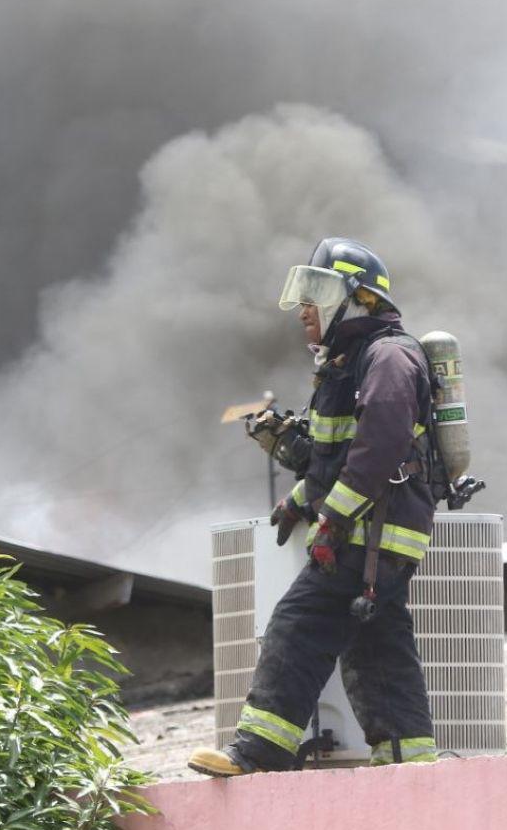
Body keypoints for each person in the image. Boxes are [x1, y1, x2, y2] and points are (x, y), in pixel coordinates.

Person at [188, 237, 438, 776]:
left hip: (370, 533)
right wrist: (299, 500)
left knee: (299, 624)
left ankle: (259, 752)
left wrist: (334, 519)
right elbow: (335, 459)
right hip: (383, 534)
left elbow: (381, 447)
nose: (305, 308)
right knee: (378, 645)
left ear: (361, 298)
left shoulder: (389, 357)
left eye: (317, 292)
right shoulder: (347, 364)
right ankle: (410, 765)